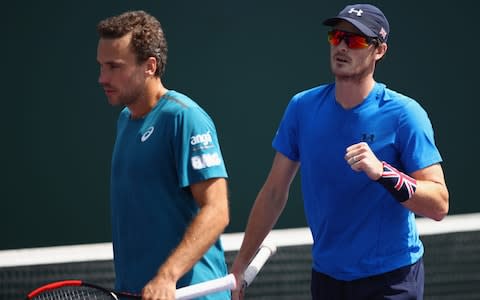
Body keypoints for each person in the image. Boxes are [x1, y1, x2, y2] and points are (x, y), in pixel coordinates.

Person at [231, 3, 449, 300]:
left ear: (379, 51)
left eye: (356, 40)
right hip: (327, 279)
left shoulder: (405, 115)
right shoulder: (302, 108)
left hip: (391, 281)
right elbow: (273, 193)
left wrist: (383, 172)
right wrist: (241, 264)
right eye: (337, 37)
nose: (342, 46)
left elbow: (438, 205)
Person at [96, 10, 231, 300]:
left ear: (149, 66)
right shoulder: (125, 120)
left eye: (114, 67)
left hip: (191, 294)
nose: (102, 78)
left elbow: (217, 210)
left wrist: (167, 277)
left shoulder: (185, 118)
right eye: (101, 66)